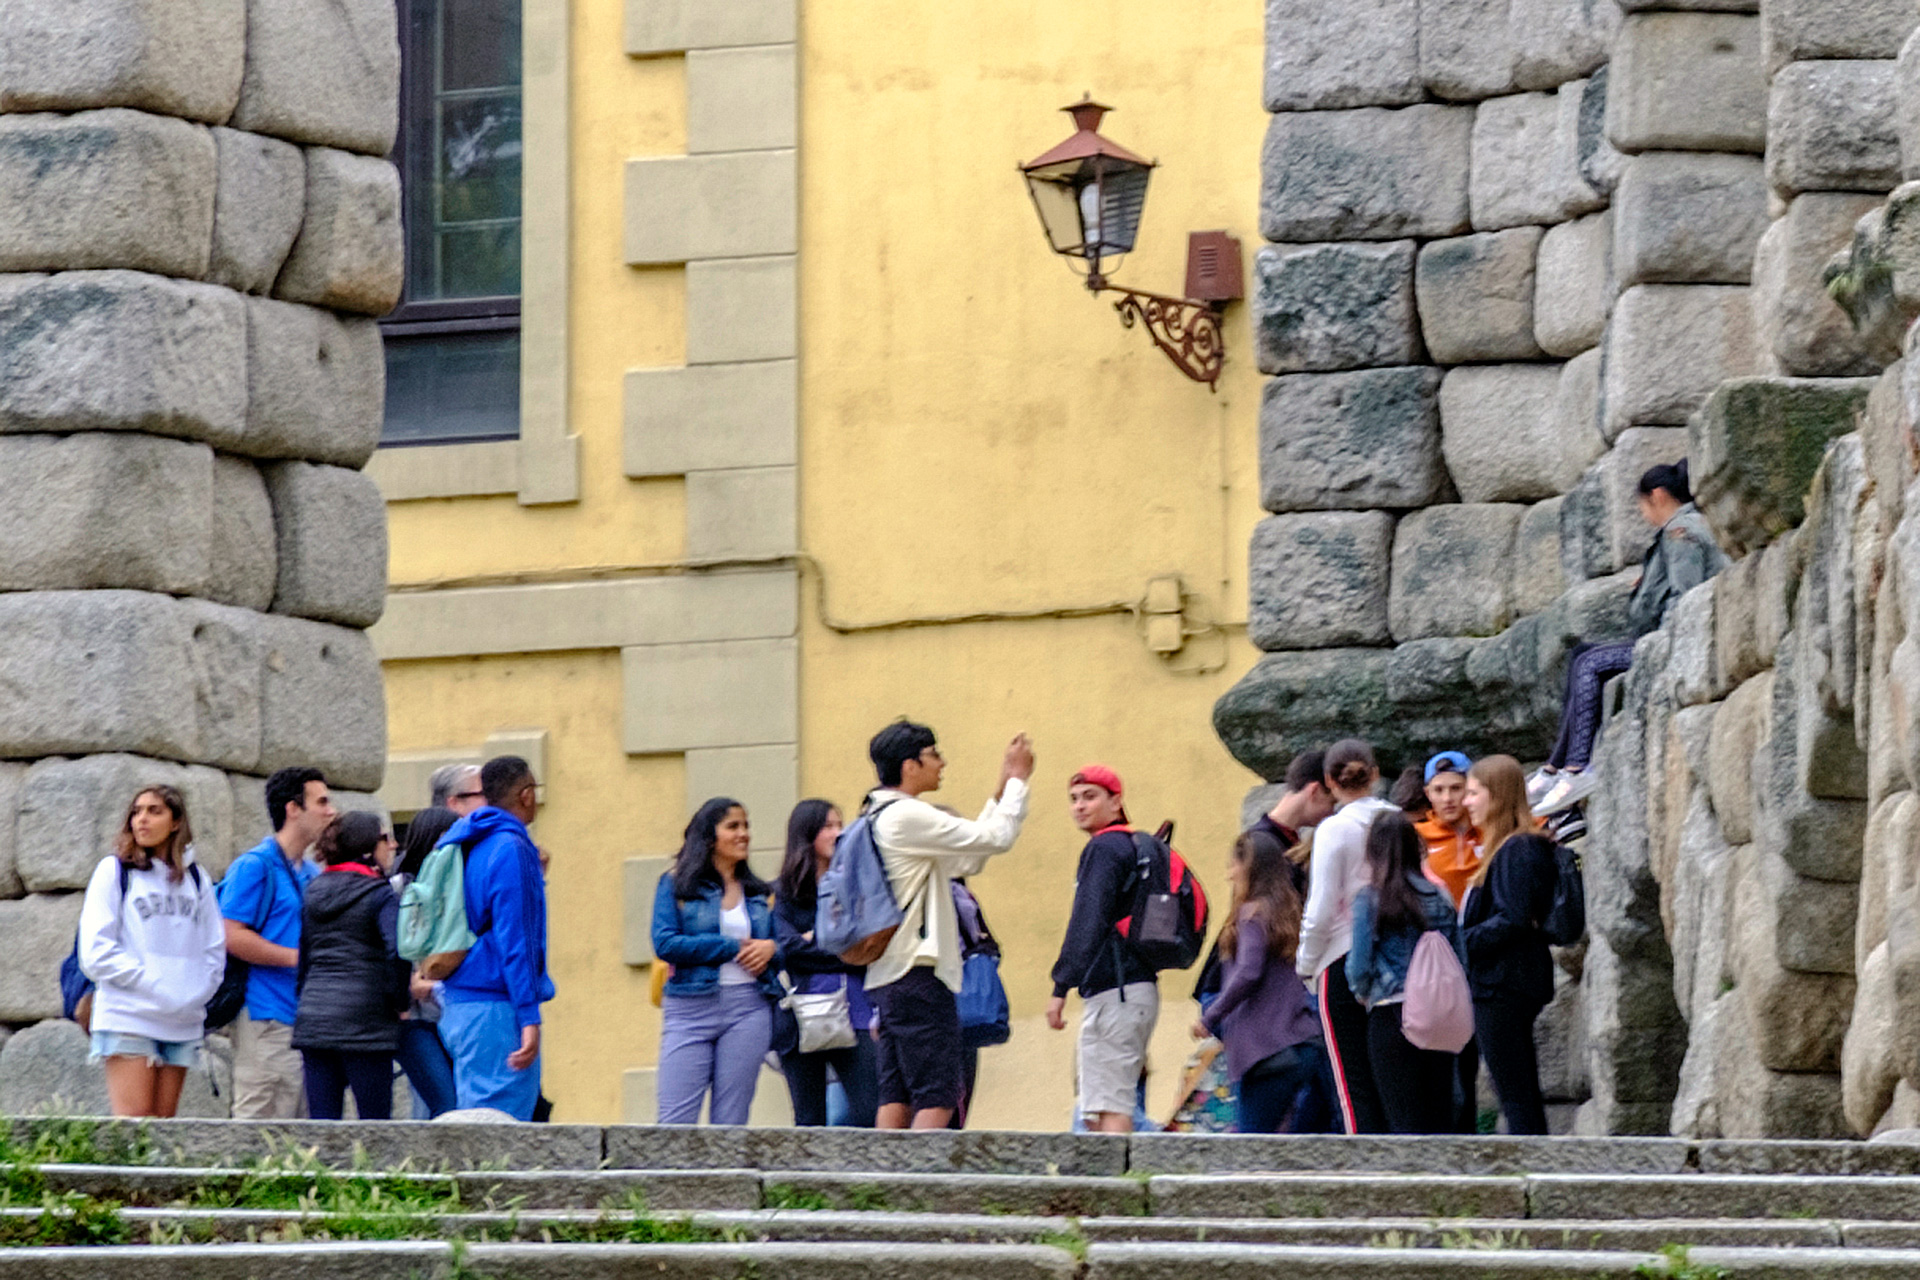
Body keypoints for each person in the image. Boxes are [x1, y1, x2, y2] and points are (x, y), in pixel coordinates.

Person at [1532, 461, 1729, 817]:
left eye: (1641, 505)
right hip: (1663, 637)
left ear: (1657, 496)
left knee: (1591, 663)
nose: (1643, 513)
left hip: (1670, 642)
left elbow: (1688, 595)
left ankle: (1576, 768)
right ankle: (1555, 767)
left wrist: (1660, 640)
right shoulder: (1682, 529)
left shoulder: (1680, 531)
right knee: (1582, 655)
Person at [863, 720, 1033, 1130]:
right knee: (938, 1095)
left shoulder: (876, 814)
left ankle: (883, 1188)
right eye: (934, 754)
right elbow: (995, 839)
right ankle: (919, 1189)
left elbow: (967, 858)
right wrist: (1018, 783)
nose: (943, 762)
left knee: (897, 1093)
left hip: (890, 974)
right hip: (919, 974)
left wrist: (1000, 788)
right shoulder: (906, 815)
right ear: (910, 765)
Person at [78, 786, 226, 1119]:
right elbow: (95, 951)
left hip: (182, 1017)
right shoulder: (114, 871)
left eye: (154, 811)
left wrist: (196, 992)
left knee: (163, 1127)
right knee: (135, 1127)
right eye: (137, 811)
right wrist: (153, 983)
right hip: (129, 1013)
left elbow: (214, 949)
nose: (142, 819)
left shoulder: (197, 879)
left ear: (176, 822)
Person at [652, 797, 782, 1125]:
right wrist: (729, 947)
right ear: (710, 836)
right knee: (675, 1122)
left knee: (731, 1123)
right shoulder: (676, 884)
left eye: (746, 826)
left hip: (749, 1009)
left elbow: (783, 946)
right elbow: (665, 942)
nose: (744, 834)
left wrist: (772, 950)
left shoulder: (759, 892)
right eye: (733, 826)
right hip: (689, 1007)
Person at [439, 755, 555, 1120]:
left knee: (476, 1122)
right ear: (525, 795)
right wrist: (529, 1016)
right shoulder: (512, 846)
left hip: (460, 1003)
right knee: (500, 1132)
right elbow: (515, 940)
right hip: (496, 1007)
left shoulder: (468, 841)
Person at [219, 766, 336, 1119]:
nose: (331, 811)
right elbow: (230, 934)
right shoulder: (255, 866)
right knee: (259, 1128)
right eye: (322, 802)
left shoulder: (313, 873)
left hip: (306, 1022)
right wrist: (298, 959)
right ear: (293, 809)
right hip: (266, 1017)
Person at [1193, 828, 1326, 1134]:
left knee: (1251, 1145)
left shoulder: (1251, 913)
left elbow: (1249, 972)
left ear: (1248, 867)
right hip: (1302, 1041)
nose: (1230, 875)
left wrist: (1211, 1017)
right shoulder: (1289, 912)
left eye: (1234, 865)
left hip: (1265, 1050)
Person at [1295, 739, 1396, 1135]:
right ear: (1374, 774)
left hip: (1341, 953)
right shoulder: (1397, 820)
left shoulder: (1334, 830)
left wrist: (1306, 963)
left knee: (1352, 1078)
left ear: (1328, 781)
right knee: (1391, 1071)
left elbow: (1320, 906)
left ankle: (1365, 1160)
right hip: (1396, 954)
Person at [1346, 811, 1466, 1134]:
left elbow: (1358, 966)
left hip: (1392, 1012)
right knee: (1439, 1115)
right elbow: (1460, 960)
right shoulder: (1440, 896)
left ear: (1373, 851)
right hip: (1439, 1016)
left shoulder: (1370, 899)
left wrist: (1364, 991)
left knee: (1402, 1118)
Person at [1461, 755, 1558, 1136]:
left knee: (1515, 1091)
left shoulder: (1518, 849)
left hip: (1503, 983)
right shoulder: (1509, 848)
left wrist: (1460, 943)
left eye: (1472, 793)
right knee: (1515, 1088)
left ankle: (1531, 1166)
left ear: (1496, 796)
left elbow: (1514, 918)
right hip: (1501, 981)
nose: (1466, 802)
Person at [293, 812, 411, 1120]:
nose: (393, 845)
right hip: (366, 1021)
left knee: (322, 1128)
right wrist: (400, 1001)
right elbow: (397, 951)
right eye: (386, 838)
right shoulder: (380, 893)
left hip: (315, 1017)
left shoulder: (313, 890)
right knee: (373, 1128)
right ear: (368, 848)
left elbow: (305, 955)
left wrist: (306, 1003)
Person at [772, 798, 879, 1127]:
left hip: (858, 1008)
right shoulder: (785, 893)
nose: (839, 832)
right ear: (807, 835)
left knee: (868, 1110)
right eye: (829, 826)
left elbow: (868, 945)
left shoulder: (857, 887)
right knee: (808, 1119)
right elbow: (787, 949)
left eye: (840, 824)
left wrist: (813, 940)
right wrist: (839, 945)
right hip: (803, 1013)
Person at [1411, 750, 1482, 1133]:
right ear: (1428, 793)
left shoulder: (1487, 830)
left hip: (1481, 955)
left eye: (1456, 788)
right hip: (1437, 961)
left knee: (1471, 1056)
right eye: (1439, 790)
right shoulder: (1418, 838)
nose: (1448, 798)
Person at [389, 806, 460, 1119]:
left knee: (444, 1103)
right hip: (414, 1017)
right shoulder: (397, 890)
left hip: (451, 1013)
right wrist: (407, 986)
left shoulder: (458, 889)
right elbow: (387, 950)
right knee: (446, 1102)